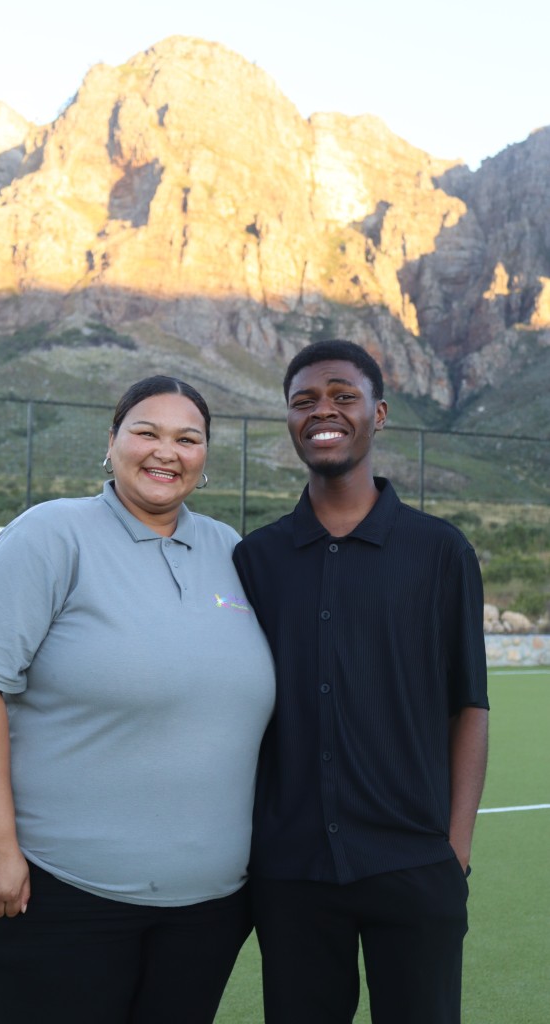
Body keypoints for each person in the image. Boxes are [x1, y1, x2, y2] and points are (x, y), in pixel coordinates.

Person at [0, 375, 275, 1024]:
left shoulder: (231, 552)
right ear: (111, 442)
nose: (165, 451)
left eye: (188, 438)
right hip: (53, 896)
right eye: (145, 431)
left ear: (205, 457)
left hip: (206, 913)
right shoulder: (50, 535)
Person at [232, 339, 489, 1024]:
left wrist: (452, 853)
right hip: (290, 873)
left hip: (412, 865)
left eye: (342, 396)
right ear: (288, 421)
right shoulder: (255, 558)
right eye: (304, 400)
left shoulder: (439, 551)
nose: (324, 411)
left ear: (377, 413)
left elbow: (468, 706)